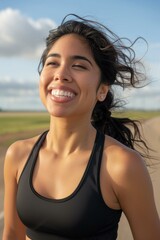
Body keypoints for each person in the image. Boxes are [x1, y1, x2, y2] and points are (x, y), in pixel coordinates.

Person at [3, 14, 160, 240]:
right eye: (52, 63)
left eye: (78, 66)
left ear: (102, 90)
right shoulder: (17, 155)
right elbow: (11, 234)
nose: (61, 74)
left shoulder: (122, 165)